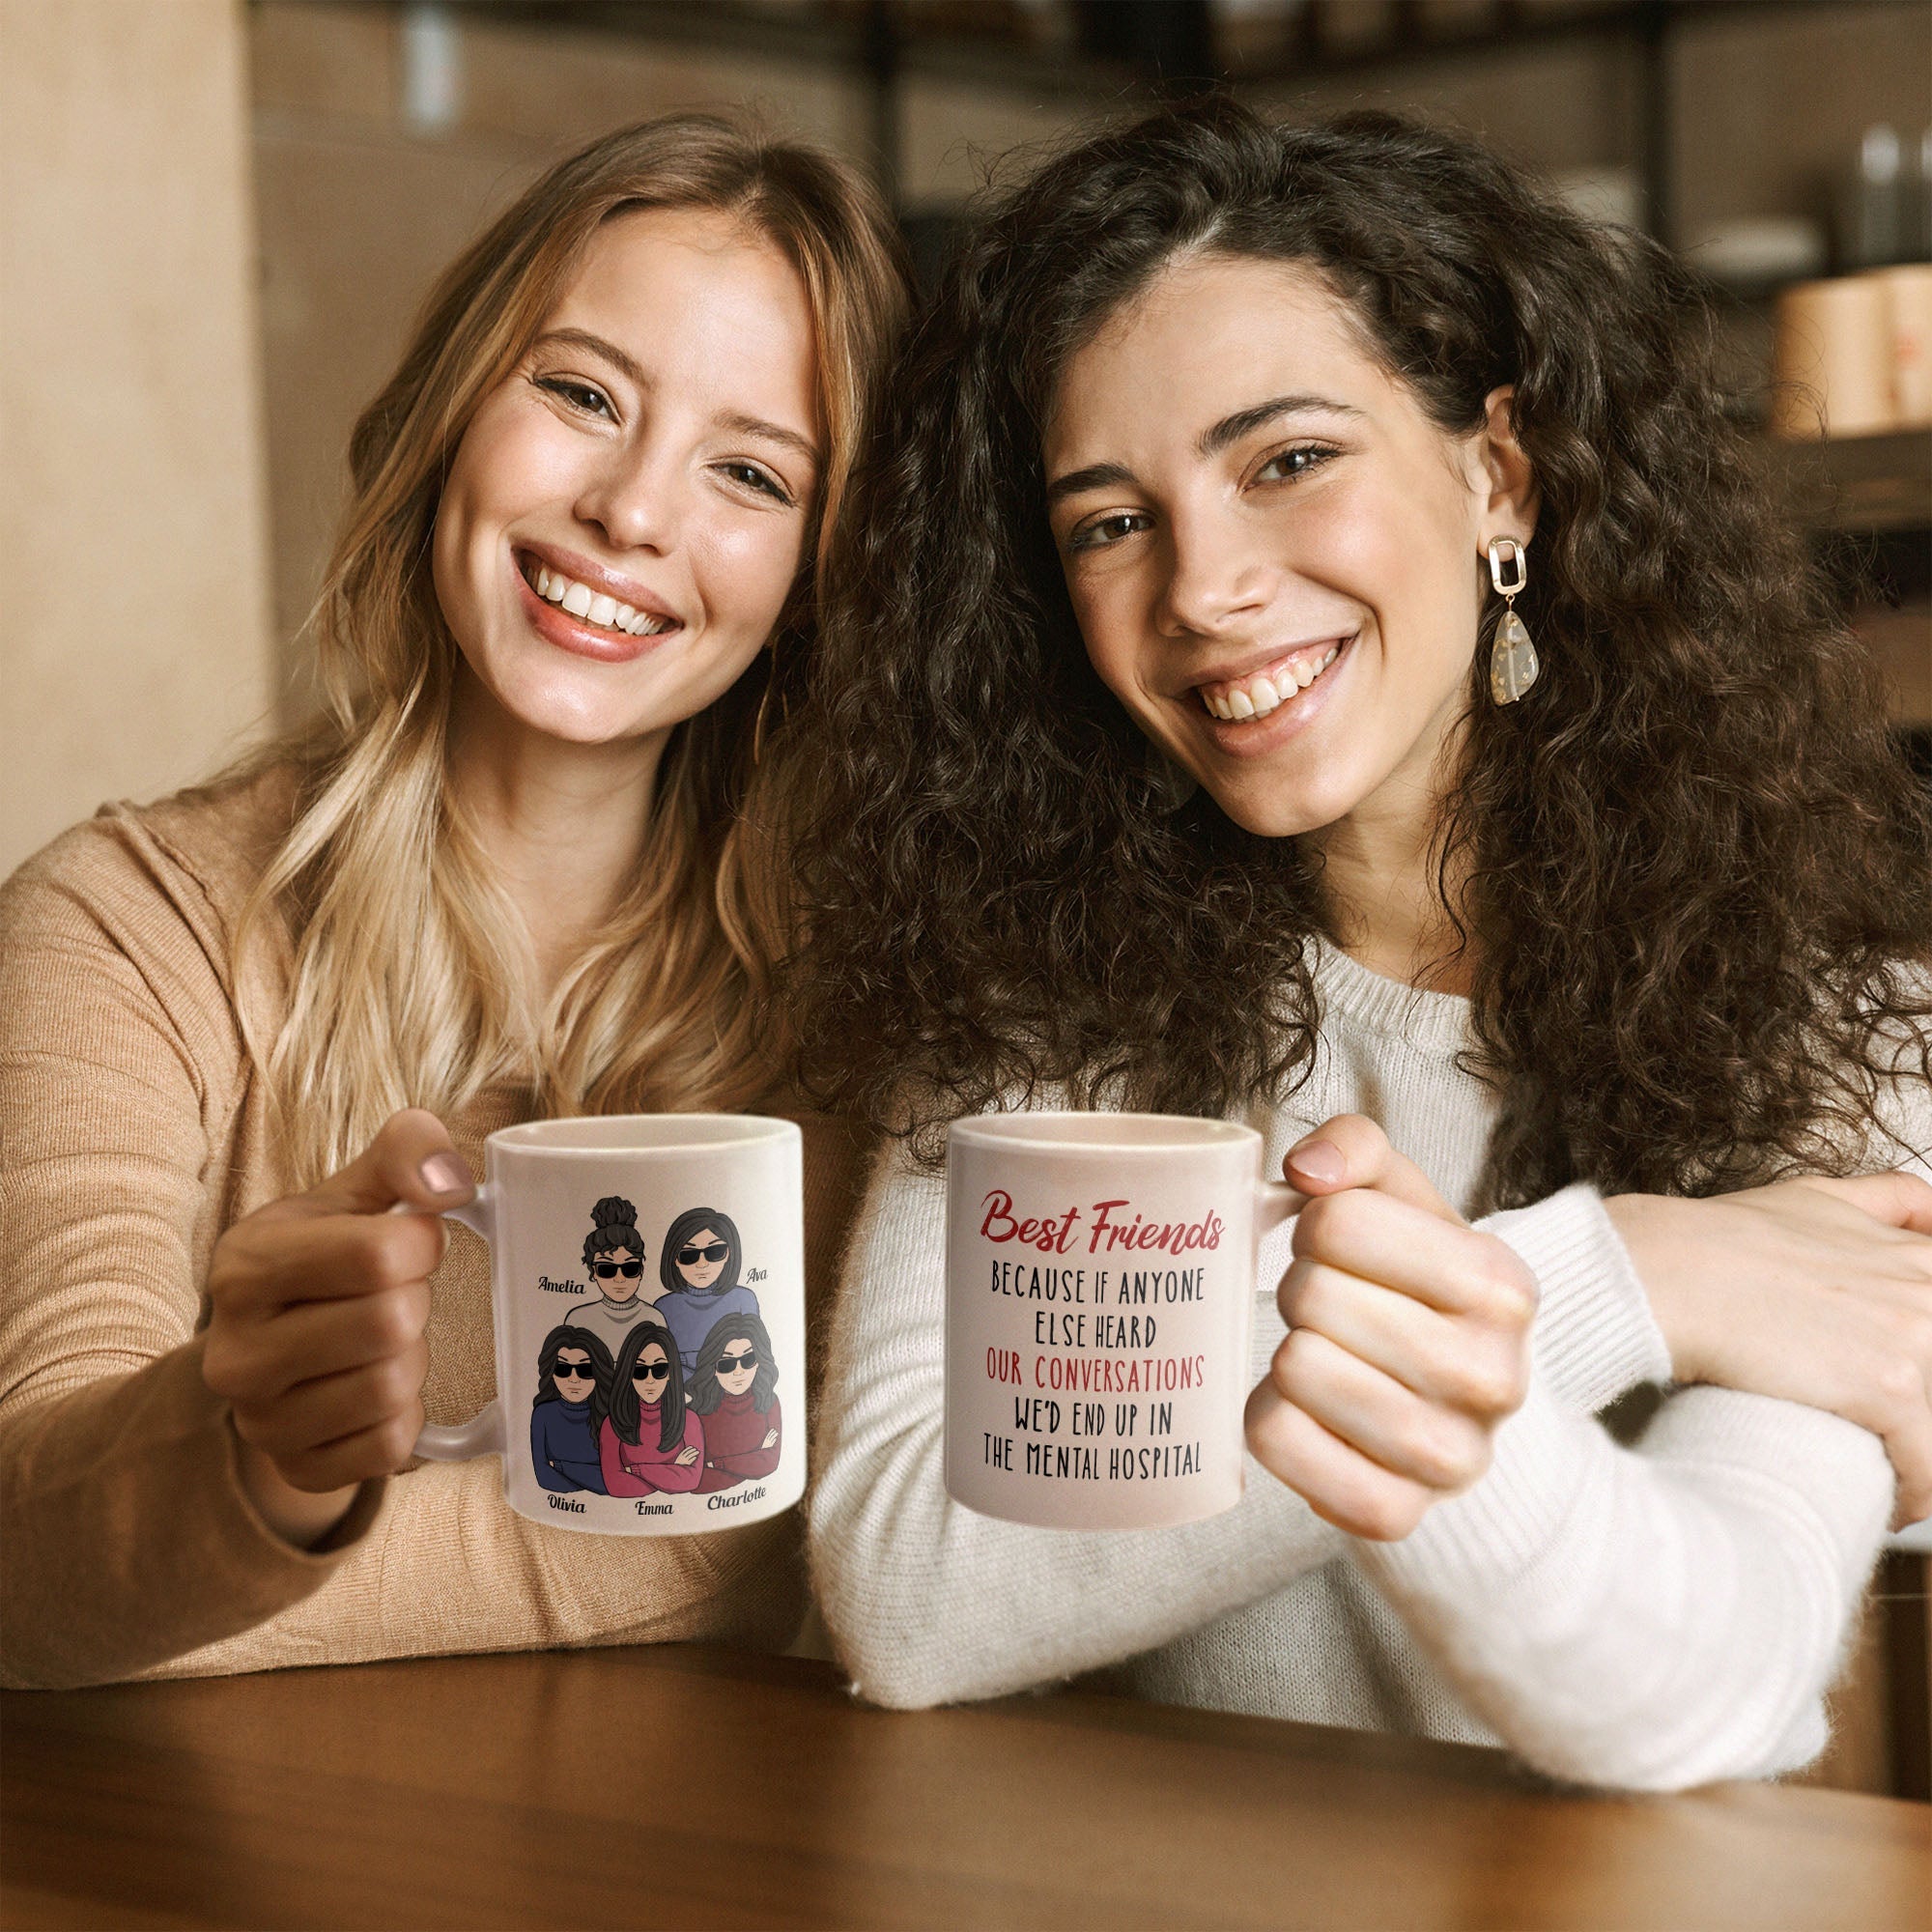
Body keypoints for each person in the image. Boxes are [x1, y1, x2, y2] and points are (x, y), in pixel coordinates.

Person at [788, 101, 1932, 1790]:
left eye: (1287, 460)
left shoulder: (1845, 1024)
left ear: (1499, 476)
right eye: (1111, 521)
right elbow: (906, 1591)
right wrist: (1621, 1277)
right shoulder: (1041, 1011)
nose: (1204, 586)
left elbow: (1699, 1683)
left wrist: (1496, 1301)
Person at [0, 114, 906, 1689]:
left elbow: (765, 1518)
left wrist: (223, 1572)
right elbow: (30, 1555)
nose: (633, 510)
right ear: (450, 415)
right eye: (580, 393)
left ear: (819, 574)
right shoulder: (121, 927)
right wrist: (260, 1463)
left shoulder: (862, 1006)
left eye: (750, 472)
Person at [598, 1324, 703, 1497]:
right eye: (640, 1370)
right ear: (628, 1373)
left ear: (671, 1372)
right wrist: (672, 1471)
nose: (649, 1380)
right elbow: (616, 1486)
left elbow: (692, 1481)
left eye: (659, 1369)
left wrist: (634, 1470)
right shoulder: (612, 1423)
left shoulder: (689, 1420)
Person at [653, 1207, 758, 1371]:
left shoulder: (744, 1299)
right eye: (689, 1255)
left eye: (715, 1252)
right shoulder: (664, 1307)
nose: (702, 1264)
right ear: (674, 1259)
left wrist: (688, 1358)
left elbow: (754, 1357)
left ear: (729, 1254)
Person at [688, 1312, 782, 1492]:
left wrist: (715, 1464)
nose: (738, 1372)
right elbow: (696, 1483)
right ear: (713, 1368)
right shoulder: (695, 1413)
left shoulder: (769, 1402)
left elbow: (771, 1462)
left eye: (748, 1360)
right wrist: (754, 1459)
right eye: (727, 1364)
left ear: (759, 1362)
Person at [530, 1324, 614, 1493]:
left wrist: (561, 1467)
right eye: (563, 1369)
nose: (573, 1379)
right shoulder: (542, 1414)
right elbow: (543, 1477)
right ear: (551, 1372)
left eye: (585, 1370)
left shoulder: (610, 1416)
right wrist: (590, 1477)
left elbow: (612, 1481)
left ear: (598, 1372)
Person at [572, 1195, 656, 1350]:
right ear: (594, 1272)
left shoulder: (655, 1319)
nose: (619, 1279)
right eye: (607, 1269)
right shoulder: (578, 1320)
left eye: (630, 1268)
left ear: (641, 1271)